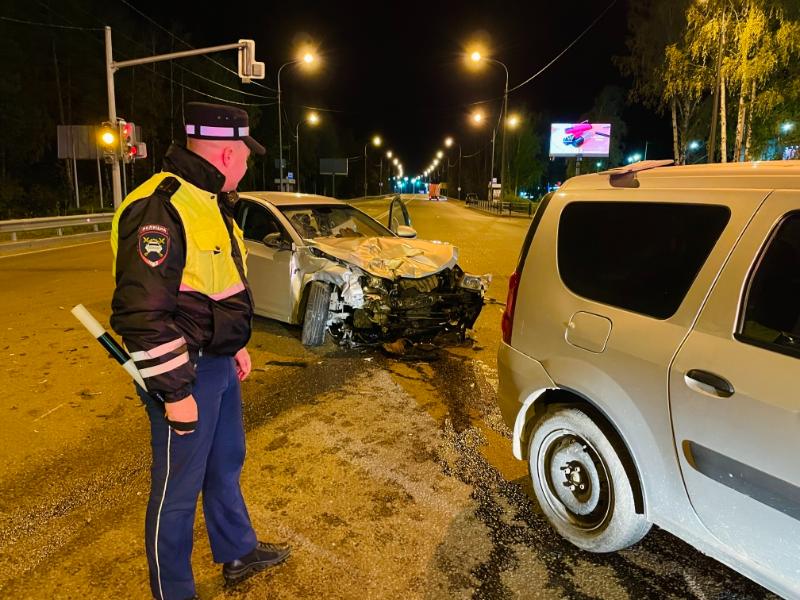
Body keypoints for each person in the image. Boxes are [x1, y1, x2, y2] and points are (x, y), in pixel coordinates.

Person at [110, 102, 290, 600]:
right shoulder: (161, 206)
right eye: (246, 156)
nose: (249, 165)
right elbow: (142, 314)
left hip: (216, 363)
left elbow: (216, 286)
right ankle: (174, 592)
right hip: (183, 371)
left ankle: (237, 551)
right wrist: (174, 392)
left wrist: (234, 346)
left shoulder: (210, 201)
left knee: (226, 460)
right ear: (228, 152)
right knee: (177, 490)